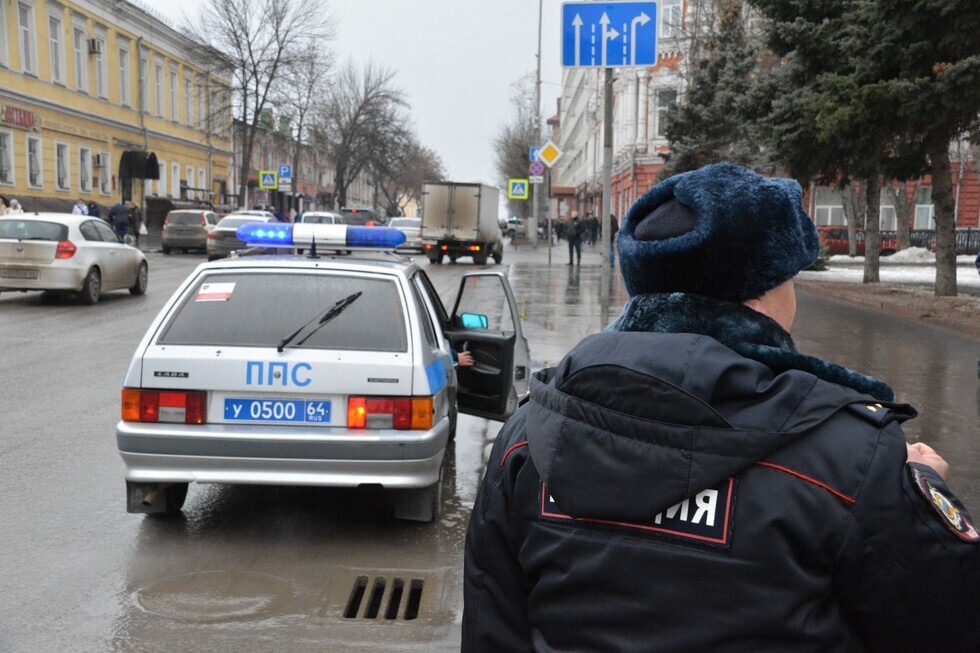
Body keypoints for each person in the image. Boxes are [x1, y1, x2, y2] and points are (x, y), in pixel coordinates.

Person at [463, 163, 980, 652]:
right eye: (788, 281)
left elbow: (492, 631)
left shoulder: (530, 437)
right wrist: (916, 497)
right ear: (757, 297)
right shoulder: (853, 460)